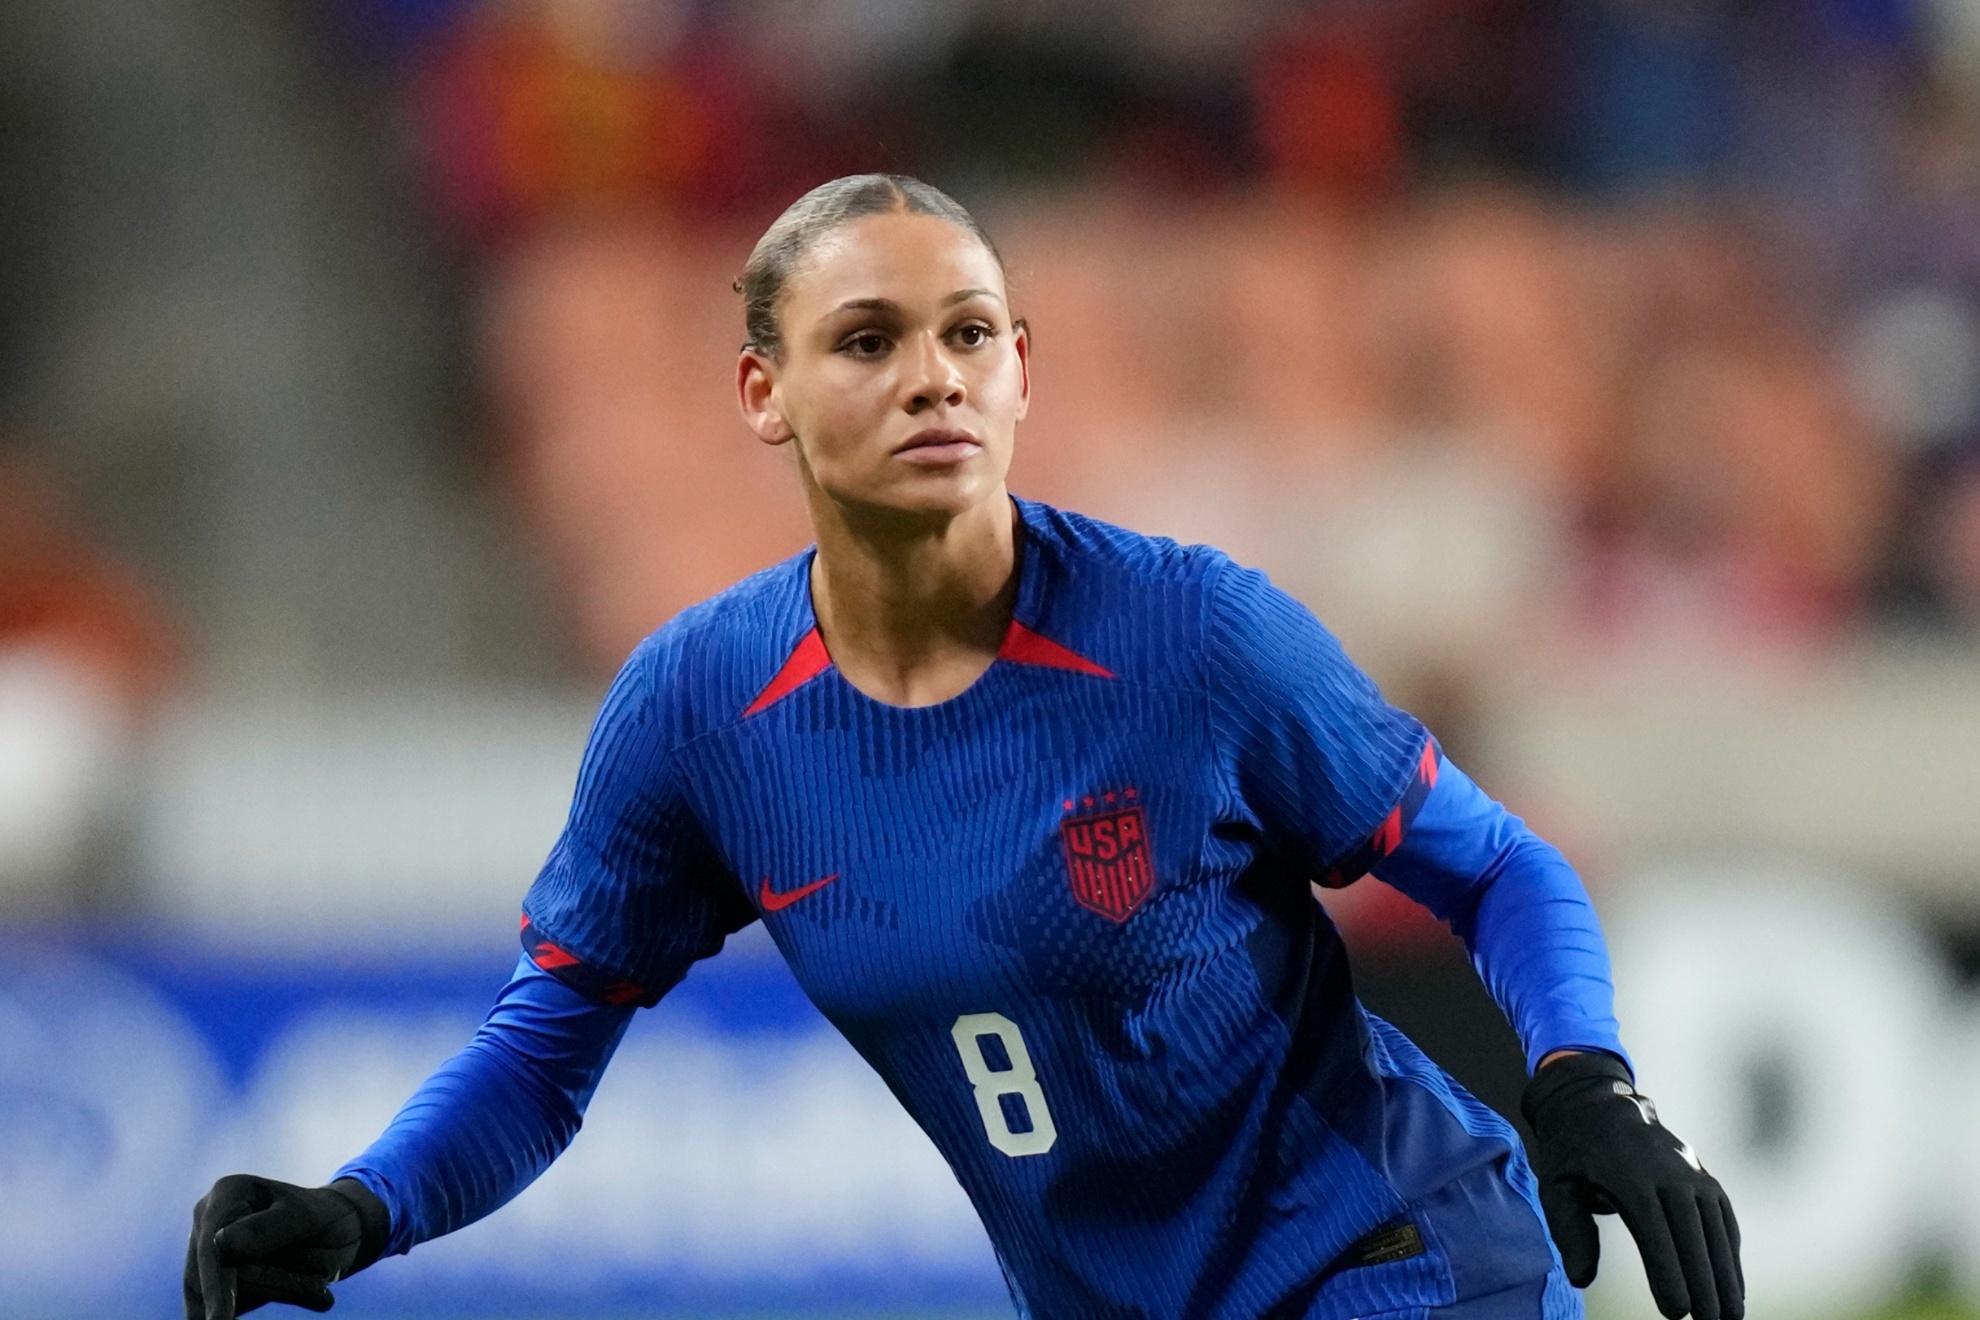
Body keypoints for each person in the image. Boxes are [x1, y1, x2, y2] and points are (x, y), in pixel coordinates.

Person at [184, 174, 1742, 1320]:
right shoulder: (696, 714)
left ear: (1018, 371)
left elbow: (1493, 862)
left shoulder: (1190, 636)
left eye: (971, 334)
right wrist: (362, 1207)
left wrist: (1589, 1083)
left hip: (1392, 1262)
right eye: (866, 339)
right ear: (763, 392)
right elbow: (549, 1040)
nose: (934, 374)